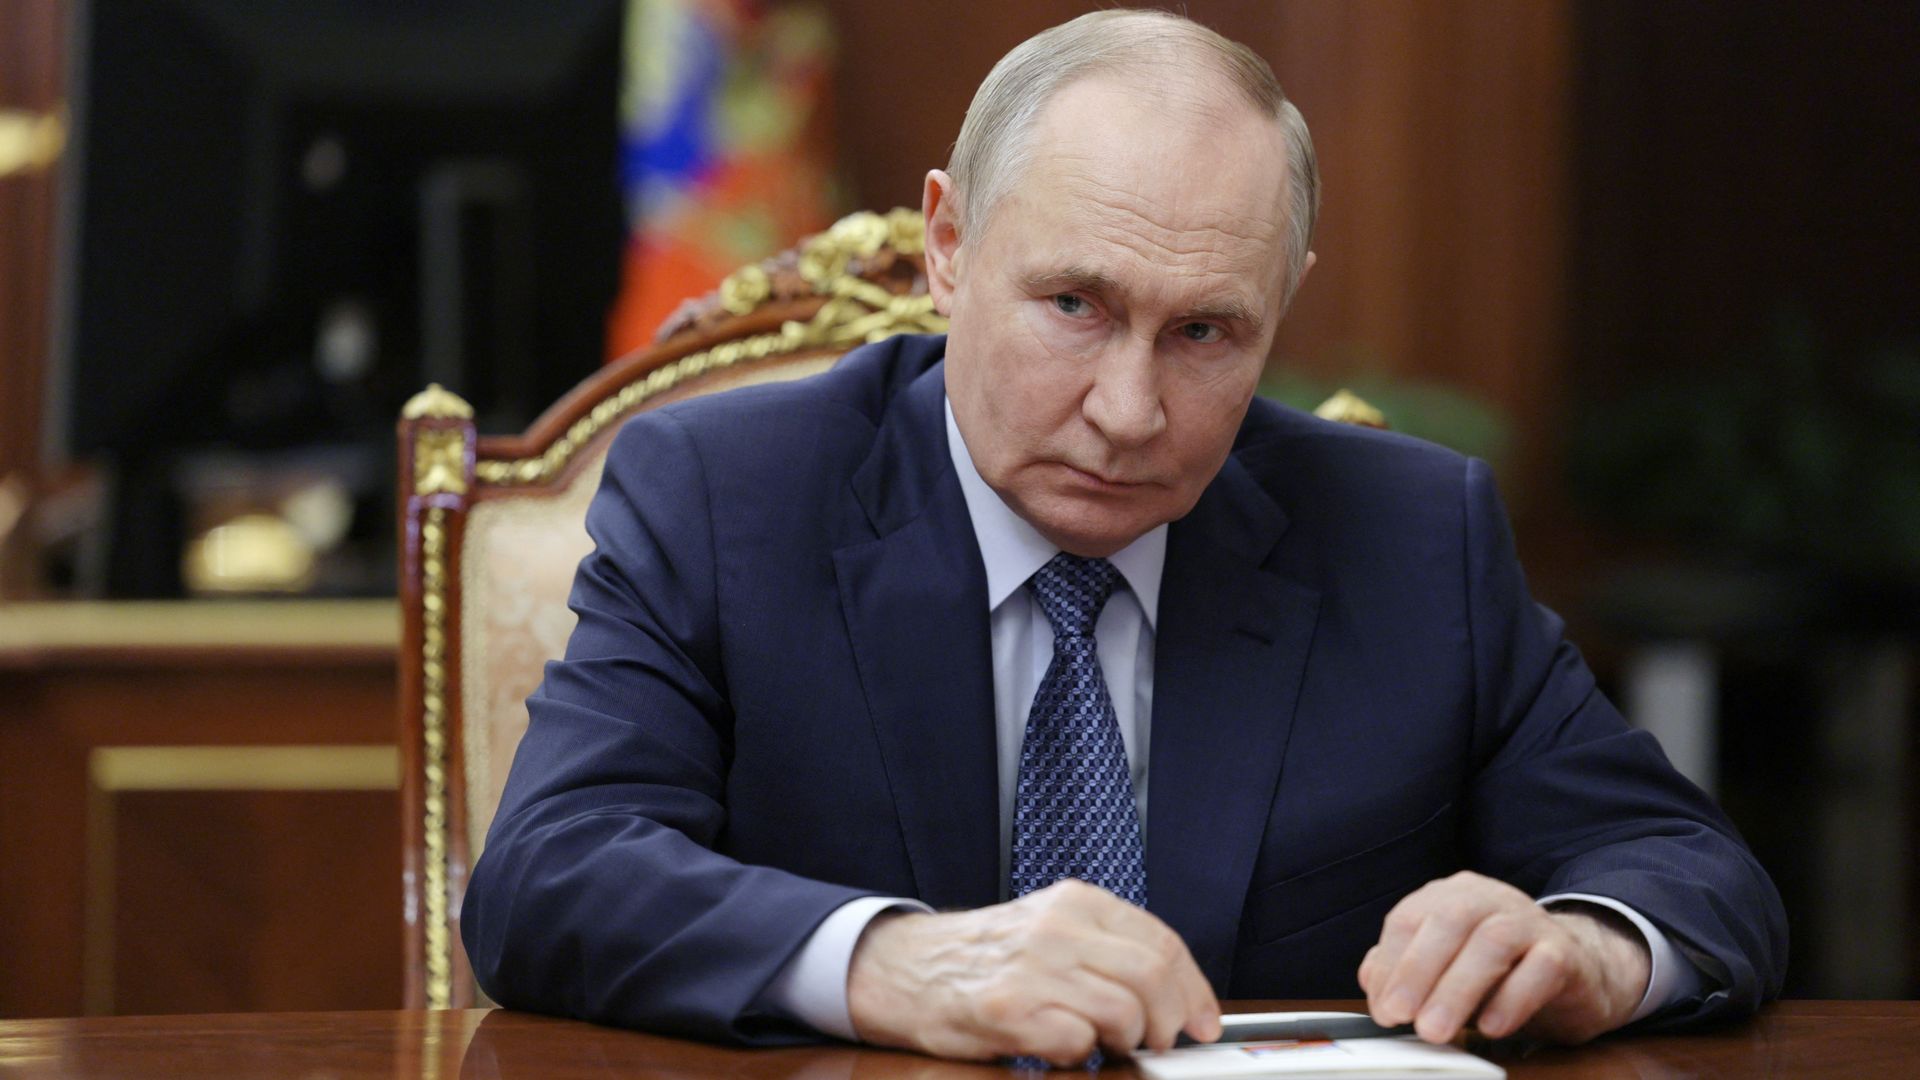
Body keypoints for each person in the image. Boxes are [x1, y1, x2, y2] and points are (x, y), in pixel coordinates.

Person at [462, 9, 1787, 1065]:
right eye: (1075, 306)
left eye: (1204, 332)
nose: (1129, 411)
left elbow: (1692, 870)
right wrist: (896, 963)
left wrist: (1587, 951)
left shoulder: (1408, 537)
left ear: (1281, 305)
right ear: (949, 246)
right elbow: (548, 877)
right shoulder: (728, 497)